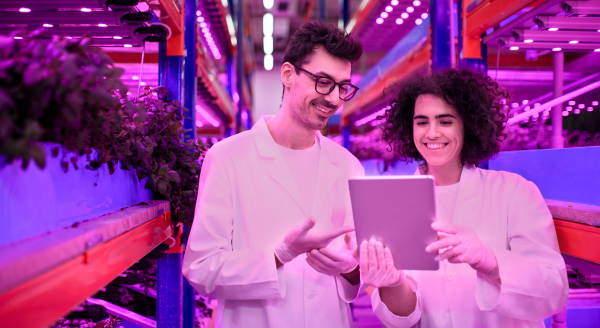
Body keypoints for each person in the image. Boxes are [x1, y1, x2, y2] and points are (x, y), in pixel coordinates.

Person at [182, 21, 364, 328]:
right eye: (323, 81)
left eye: (342, 87)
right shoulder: (228, 158)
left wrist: (352, 269)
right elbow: (200, 270)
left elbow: (356, 266)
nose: (333, 98)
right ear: (288, 74)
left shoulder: (348, 166)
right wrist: (279, 255)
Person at [360, 69, 569, 327]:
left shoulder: (514, 192)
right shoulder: (394, 204)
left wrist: (491, 261)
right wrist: (393, 283)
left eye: (445, 121)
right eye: (422, 121)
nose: (432, 133)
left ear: (467, 125)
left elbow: (554, 292)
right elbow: (404, 319)